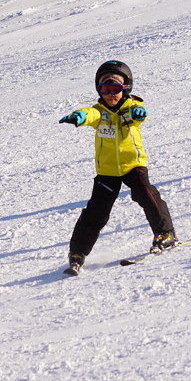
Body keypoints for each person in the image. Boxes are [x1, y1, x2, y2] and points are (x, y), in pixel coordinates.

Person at [58, 60, 177, 275]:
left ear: (126, 89)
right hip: (108, 170)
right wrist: (80, 116)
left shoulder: (131, 108)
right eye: (105, 89)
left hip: (133, 164)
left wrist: (140, 114)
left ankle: (165, 234)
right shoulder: (99, 112)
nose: (111, 94)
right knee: (96, 211)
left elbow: (140, 111)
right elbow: (90, 114)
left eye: (116, 89)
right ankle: (78, 253)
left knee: (146, 195)